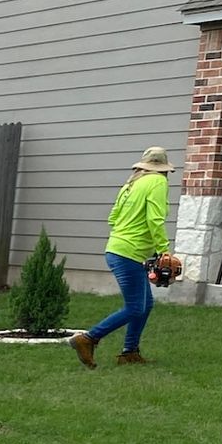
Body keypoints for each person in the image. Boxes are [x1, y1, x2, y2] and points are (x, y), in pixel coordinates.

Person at [70, 145, 177, 369]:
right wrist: (163, 250)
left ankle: (130, 353)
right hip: (129, 252)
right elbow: (155, 219)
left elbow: (113, 218)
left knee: (145, 305)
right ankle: (88, 338)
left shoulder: (131, 183)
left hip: (116, 249)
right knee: (136, 307)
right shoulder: (158, 182)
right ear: (164, 169)